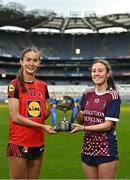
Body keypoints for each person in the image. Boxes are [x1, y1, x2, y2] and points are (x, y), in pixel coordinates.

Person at [7, 47, 56, 179]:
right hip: (19, 141)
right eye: (28, 60)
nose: (31, 63)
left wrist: (49, 111)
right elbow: (15, 117)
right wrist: (42, 127)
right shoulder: (14, 84)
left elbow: (41, 116)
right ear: (21, 62)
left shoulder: (43, 86)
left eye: (35, 60)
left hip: (38, 141)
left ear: (39, 63)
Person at [71, 59, 121, 179]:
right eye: (94, 71)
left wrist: (83, 128)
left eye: (100, 71)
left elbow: (108, 125)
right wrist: (76, 110)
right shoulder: (87, 94)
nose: (96, 73)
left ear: (107, 74)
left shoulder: (112, 95)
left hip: (106, 148)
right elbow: (80, 120)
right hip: (87, 147)